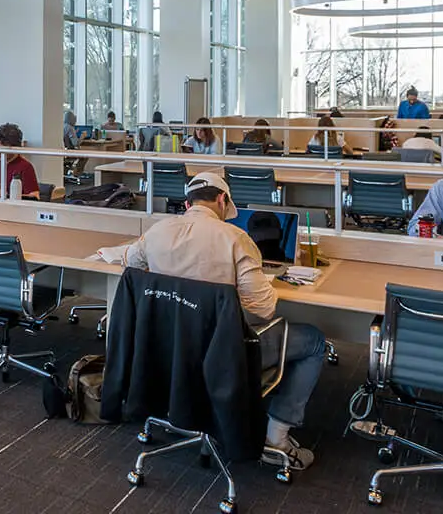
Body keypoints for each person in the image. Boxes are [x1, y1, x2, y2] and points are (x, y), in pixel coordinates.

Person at [115, 172, 325, 471]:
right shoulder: (235, 238)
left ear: (187, 203)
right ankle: (275, 439)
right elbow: (264, 309)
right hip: (223, 353)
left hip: (167, 347)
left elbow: (132, 265)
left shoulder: (157, 231)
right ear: (222, 199)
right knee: (315, 341)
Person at [0, 122, 40, 199]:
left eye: (4, 147)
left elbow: (35, 196)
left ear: (15, 147)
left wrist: (4, 195)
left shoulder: (25, 167)